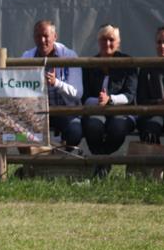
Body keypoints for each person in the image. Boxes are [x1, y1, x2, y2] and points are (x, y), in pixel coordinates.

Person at [20, 19, 83, 150]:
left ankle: (63, 162)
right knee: (19, 133)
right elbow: (19, 90)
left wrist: (56, 83)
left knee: (75, 131)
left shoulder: (70, 56)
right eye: (38, 36)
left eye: (45, 36)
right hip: (36, 112)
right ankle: (30, 164)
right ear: (33, 38)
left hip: (65, 111)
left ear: (55, 36)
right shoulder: (26, 57)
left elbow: (78, 93)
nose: (42, 40)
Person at [82, 25, 137, 172]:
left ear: (118, 42)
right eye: (103, 39)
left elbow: (130, 95)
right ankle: (103, 164)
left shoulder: (128, 62)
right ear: (97, 41)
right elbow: (84, 96)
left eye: (111, 39)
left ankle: (101, 162)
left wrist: (110, 99)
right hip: (96, 109)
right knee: (93, 125)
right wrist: (99, 101)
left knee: (118, 127)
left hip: (123, 110)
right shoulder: (89, 64)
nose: (107, 44)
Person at [137, 25, 164, 143]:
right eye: (159, 42)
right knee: (151, 126)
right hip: (152, 114)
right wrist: (159, 102)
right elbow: (141, 100)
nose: (162, 46)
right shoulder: (146, 68)